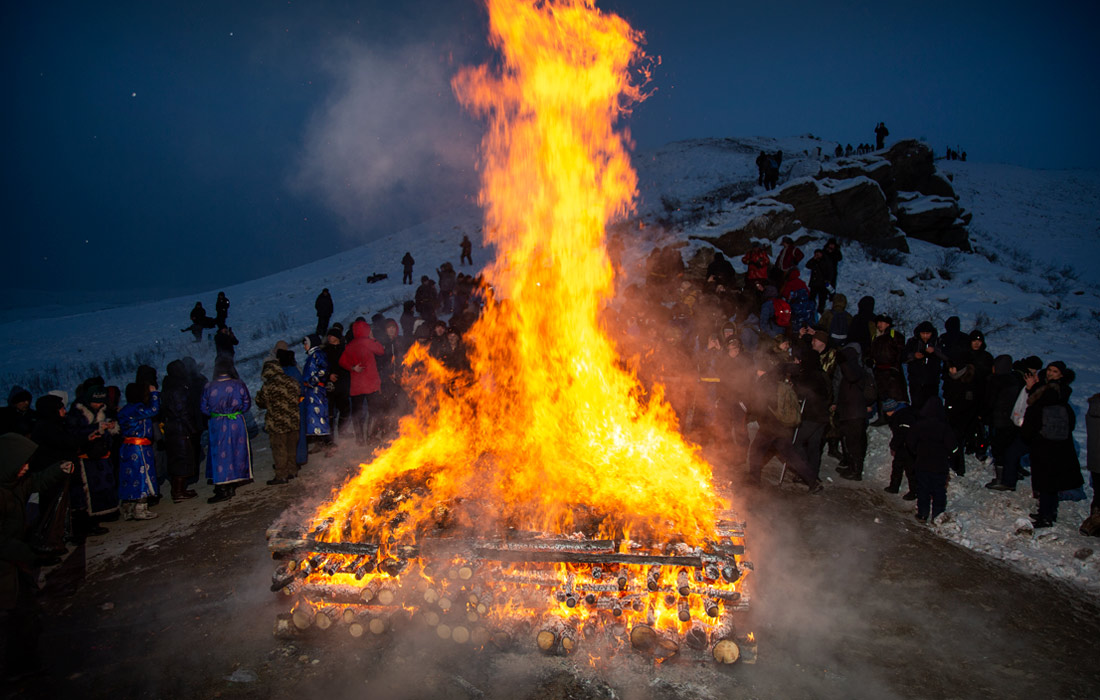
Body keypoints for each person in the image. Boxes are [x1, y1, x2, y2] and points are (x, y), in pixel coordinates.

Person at [1, 433, 72, 681]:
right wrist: (31, 553)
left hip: (15, 564)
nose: (26, 468)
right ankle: (17, 667)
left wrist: (58, 469)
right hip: (5, 568)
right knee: (17, 615)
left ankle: (24, 664)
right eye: (21, 464)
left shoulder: (15, 483)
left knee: (25, 612)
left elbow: (38, 481)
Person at [1022, 361, 1083, 528]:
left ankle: (1045, 515)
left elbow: (1032, 420)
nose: (1050, 373)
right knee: (1051, 482)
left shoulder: (1045, 395)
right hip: (1059, 445)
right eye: (1049, 370)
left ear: (1061, 374)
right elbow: (1071, 423)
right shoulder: (1063, 397)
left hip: (1044, 444)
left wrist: (1032, 389)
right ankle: (1048, 512)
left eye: (1054, 371)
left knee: (1045, 481)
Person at [200, 356, 252, 503]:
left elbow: (204, 408)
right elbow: (246, 404)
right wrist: (234, 411)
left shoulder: (209, 386)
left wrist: (217, 413)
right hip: (236, 423)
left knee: (220, 454)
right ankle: (233, 482)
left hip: (218, 424)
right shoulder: (239, 384)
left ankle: (223, 487)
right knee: (236, 450)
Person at [908, 397, 956, 522]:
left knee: (923, 489)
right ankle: (937, 514)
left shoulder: (919, 425)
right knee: (939, 490)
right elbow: (953, 446)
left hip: (922, 463)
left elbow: (910, 442)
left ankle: (923, 513)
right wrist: (950, 454)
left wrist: (917, 452)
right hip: (939, 465)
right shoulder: (944, 427)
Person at [117, 383, 160, 520]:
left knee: (130, 477)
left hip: (128, 447)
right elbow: (154, 410)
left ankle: (128, 509)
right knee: (142, 476)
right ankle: (141, 509)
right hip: (139, 448)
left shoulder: (125, 409)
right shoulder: (137, 409)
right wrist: (154, 394)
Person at [339, 319, 385, 446]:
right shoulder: (367, 342)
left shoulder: (350, 345)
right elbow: (381, 350)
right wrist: (373, 339)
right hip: (370, 384)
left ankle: (359, 439)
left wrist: (352, 368)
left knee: (357, 412)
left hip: (357, 386)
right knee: (373, 411)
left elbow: (342, 361)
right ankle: (371, 437)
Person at [255, 358, 300, 485]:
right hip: (293, 420)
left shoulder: (268, 385)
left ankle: (281, 475)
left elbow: (260, 402)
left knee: (279, 450)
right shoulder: (292, 381)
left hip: (277, 423)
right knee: (292, 448)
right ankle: (292, 471)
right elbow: (299, 393)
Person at [161, 360, 199, 502]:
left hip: (172, 428)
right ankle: (178, 491)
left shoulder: (168, 385)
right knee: (182, 458)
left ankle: (179, 489)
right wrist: (192, 428)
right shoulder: (177, 389)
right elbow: (182, 410)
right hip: (179, 428)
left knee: (178, 459)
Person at [882, 397, 917, 498]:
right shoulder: (900, 414)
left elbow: (902, 433)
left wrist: (894, 444)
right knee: (897, 465)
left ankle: (914, 491)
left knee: (910, 469)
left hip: (908, 446)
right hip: (903, 445)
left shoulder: (904, 416)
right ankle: (894, 486)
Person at [301, 334, 331, 444]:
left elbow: (324, 369)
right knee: (313, 416)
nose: (304, 346)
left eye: (306, 343)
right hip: (310, 391)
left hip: (316, 390)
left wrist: (313, 381)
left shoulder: (317, 354)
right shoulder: (311, 356)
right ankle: (318, 441)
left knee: (319, 414)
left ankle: (326, 441)